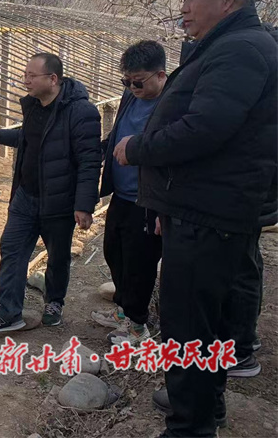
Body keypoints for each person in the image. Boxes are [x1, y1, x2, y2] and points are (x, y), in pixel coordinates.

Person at [114, 0, 277, 438]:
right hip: (206, 206)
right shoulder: (232, 45)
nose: (183, 6)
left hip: (210, 213)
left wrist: (137, 148)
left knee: (188, 324)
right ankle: (205, 402)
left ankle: (190, 426)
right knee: (205, 320)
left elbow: (204, 129)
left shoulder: (240, 50)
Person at [0, 53, 101, 333]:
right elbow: (30, 138)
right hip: (26, 196)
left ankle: (54, 302)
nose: (26, 80)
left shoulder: (81, 112)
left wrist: (84, 205)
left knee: (57, 256)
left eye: (32, 76)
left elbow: (90, 161)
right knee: (12, 249)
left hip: (59, 200)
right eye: (25, 74)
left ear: (53, 79)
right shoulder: (34, 106)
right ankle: (9, 313)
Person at [91, 40, 167, 346]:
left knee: (140, 263)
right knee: (115, 253)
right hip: (122, 195)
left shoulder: (172, 105)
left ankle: (137, 325)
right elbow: (119, 132)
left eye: (138, 81)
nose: (132, 87)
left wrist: (164, 207)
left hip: (148, 199)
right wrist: (102, 149)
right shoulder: (130, 97)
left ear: (160, 75)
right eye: (127, 81)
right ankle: (123, 310)